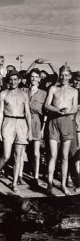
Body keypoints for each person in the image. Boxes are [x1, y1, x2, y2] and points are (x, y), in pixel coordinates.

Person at [0, 70, 32, 192]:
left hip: (21, 123)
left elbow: (28, 113)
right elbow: (0, 114)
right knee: (6, 155)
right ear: (8, 81)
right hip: (8, 123)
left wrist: (30, 130)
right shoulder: (3, 94)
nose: (13, 82)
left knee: (18, 156)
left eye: (15, 80)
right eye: (11, 80)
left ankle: (14, 183)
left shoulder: (24, 94)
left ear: (19, 80)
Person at [44, 65, 78, 195]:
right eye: (61, 75)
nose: (63, 77)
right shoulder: (53, 88)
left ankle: (63, 185)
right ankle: (49, 184)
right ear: (59, 75)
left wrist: (68, 111)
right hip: (54, 122)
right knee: (52, 155)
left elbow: (75, 108)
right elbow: (47, 105)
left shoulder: (74, 91)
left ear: (70, 76)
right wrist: (57, 110)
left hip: (67, 122)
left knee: (64, 156)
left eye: (66, 75)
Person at [20, 68, 47, 184]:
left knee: (36, 153)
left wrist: (43, 129)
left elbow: (46, 113)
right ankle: (19, 175)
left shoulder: (43, 93)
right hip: (23, 122)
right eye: (32, 77)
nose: (34, 79)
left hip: (37, 122)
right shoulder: (23, 90)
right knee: (21, 151)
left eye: (36, 77)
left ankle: (36, 177)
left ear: (39, 79)